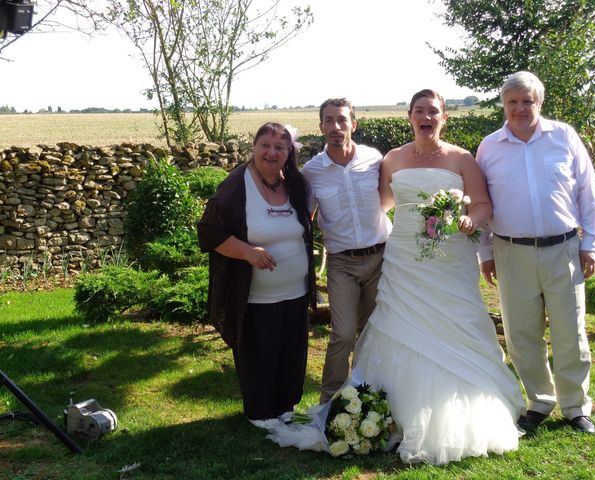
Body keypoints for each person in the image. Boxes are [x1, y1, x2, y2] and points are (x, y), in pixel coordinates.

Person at [267, 89, 525, 465]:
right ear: (409, 116)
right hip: (403, 255)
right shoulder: (391, 159)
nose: (426, 116)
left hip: (450, 258)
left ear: (443, 117)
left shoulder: (462, 158)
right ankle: (372, 405)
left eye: (433, 111)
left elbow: (482, 202)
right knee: (390, 324)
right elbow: (381, 203)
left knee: (454, 323)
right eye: (419, 111)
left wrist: (471, 219)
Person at [476, 71, 595, 434]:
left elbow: (588, 193)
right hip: (510, 252)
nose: (520, 108)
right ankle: (540, 401)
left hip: (563, 249)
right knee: (521, 334)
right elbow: (482, 203)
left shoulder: (564, 136)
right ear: (503, 104)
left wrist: (590, 243)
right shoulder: (489, 147)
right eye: (512, 101)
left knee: (571, 332)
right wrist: (484, 253)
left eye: (527, 101)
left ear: (540, 102)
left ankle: (575, 405)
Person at [197, 122, 316, 427]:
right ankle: (260, 412)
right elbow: (209, 232)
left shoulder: (295, 184)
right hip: (255, 295)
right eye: (265, 144)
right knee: (259, 352)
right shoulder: (237, 185)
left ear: (289, 152)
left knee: (291, 350)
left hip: (296, 290)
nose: (271, 152)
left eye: (280, 147)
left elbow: (306, 221)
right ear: (254, 146)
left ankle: (285, 405)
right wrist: (249, 252)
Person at [302, 98, 392, 403]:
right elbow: (304, 217)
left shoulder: (374, 159)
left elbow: (391, 199)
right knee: (342, 334)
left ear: (353, 124)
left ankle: (367, 399)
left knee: (371, 333)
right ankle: (330, 402)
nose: (336, 127)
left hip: (381, 258)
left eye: (342, 120)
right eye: (329, 121)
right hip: (342, 263)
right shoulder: (313, 171)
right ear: (321, 127)